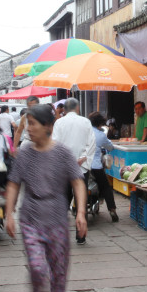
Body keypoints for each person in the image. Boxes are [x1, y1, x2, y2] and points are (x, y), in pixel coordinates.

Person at [4, 104, 87, 292]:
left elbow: (78, 181)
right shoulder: (25, 154)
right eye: (27, 124)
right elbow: (13, 184)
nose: (28, 129)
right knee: (38, 267)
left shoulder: (62, 153)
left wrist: (80, 212)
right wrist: (8, 213)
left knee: (59, 270)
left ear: (48, 126)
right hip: (30, 217)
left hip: (58, 218)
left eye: (32, 124)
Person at [51, 98, 96, 245]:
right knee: (81, 202)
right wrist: (84, 159)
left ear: (64, 109)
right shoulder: (85, 122)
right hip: (81, 168)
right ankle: (81, 235)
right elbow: (91, 143)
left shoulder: (59, 122)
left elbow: (55, 144)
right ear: (77, 108)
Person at [88, 112, 119, 222]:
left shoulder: (84, 131)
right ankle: (112, 209)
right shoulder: (100, 135)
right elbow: (110, 147)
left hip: (83, 165)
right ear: (100, 123)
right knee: (106, 187)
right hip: (96, 166)